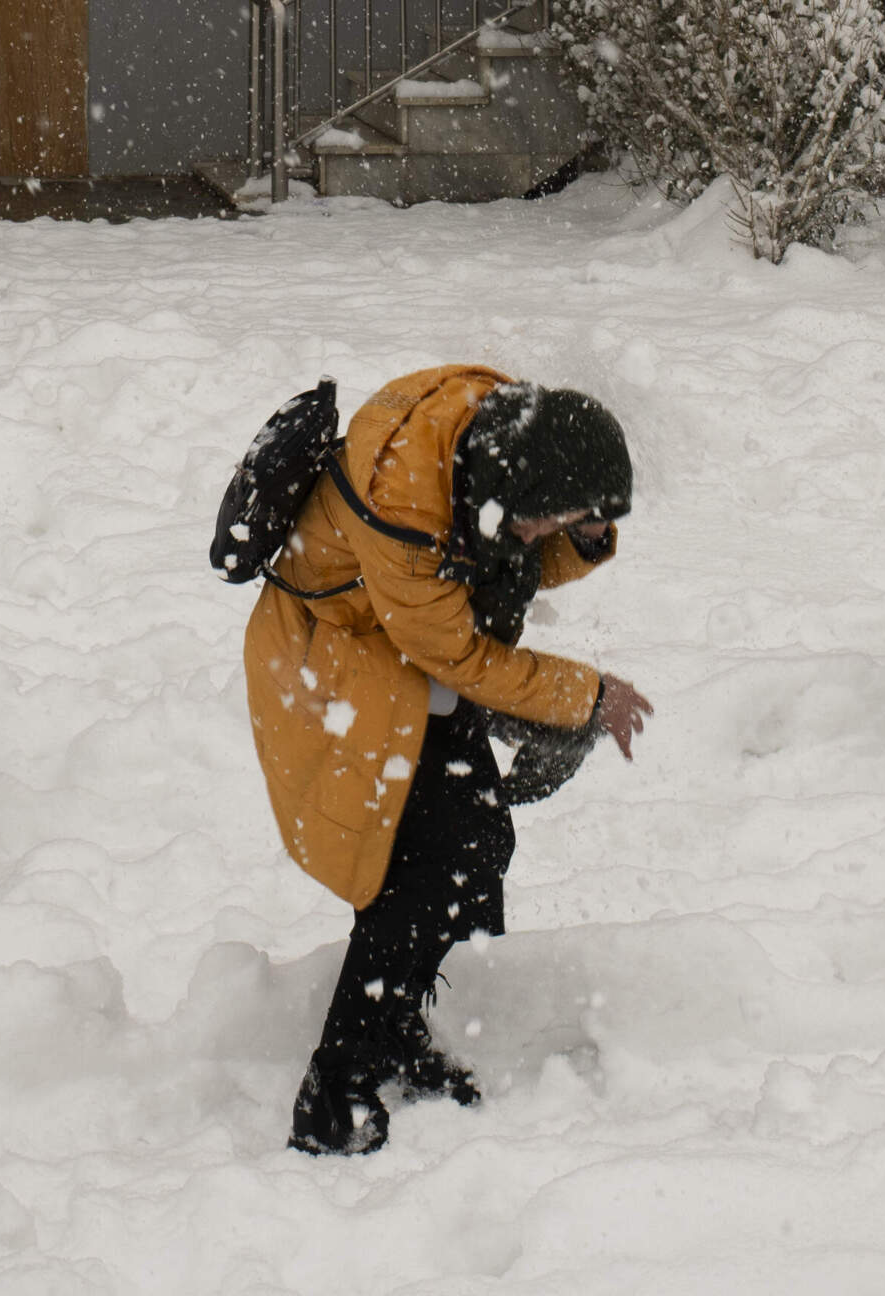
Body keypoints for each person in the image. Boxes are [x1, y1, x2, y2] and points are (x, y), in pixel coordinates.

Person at [243, 366, 653, 1156]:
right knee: (421, 871)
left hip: (399, 651)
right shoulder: (406, 508)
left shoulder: (493, 444)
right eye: (559, 517)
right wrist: (587, 695)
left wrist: (588, 534)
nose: (554, 531)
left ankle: (399, 1030)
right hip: (338, 662)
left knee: (477, 840)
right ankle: (337, 1089)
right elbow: (461, 654)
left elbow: (510, 549)